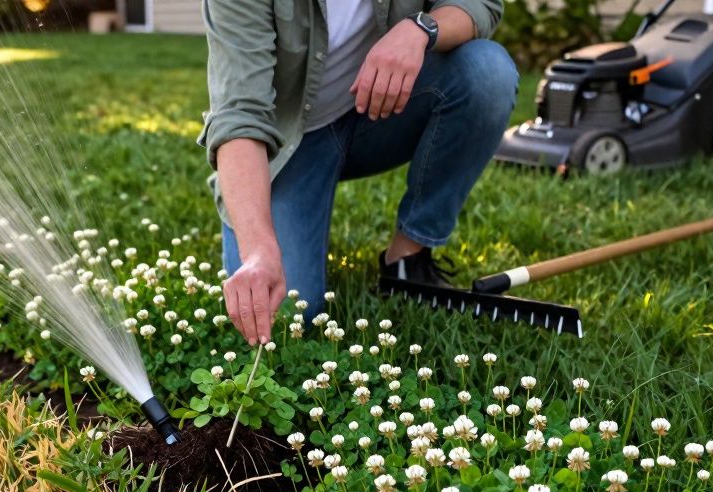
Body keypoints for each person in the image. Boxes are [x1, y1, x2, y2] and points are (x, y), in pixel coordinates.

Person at [199, 0, 518, 346]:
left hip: (382, 112)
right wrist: (258, 250)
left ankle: (407, 260)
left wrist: (419, 30)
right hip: (287, 145)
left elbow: (479, 4)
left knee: (488, 72)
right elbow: (239, 116)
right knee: (289, 317)